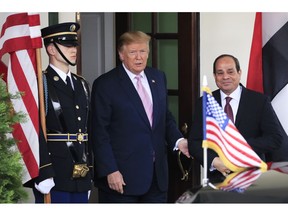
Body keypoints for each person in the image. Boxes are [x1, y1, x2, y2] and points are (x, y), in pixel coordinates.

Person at [90, 31, 190, 203]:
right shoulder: (106, 84)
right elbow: (99, 132)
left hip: (156, 178)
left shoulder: (158, 77)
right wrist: (109, 170)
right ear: (121, 55)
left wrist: (179, 141)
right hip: (121, 179)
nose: (139, 57)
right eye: (133, 52)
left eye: (143, 51)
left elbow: (165, 118)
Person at [188, 54, 285, 180]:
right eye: (220, 73)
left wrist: (239, 148)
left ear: (239, 73)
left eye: (230, 72)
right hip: (218, 178)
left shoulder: (259, 101)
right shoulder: (205, 102)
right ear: (215, 76)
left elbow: (275, 138)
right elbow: (194, 142)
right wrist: (215, 161)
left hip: (252, 177)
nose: (225, 77)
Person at [32, 22, 93, 203]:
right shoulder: (41, 83)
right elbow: (33, 130)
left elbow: (87, 130)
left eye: (74, 45)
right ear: (51, 49)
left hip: (81, 175)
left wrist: (89, 172)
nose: (74, 49)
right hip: (54, 174)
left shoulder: (82, 84)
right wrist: (43, 171)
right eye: (67, 45)